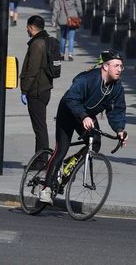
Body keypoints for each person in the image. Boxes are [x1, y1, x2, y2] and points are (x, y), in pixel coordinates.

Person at [40, 49, 128, 204]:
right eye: (116, 66)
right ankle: (46, 189)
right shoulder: (88, 79)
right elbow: (72, 98)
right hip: (68, 112)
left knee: (96, 143)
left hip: (86, 116)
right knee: (61, 149)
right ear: (106, 66)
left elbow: (117, 111)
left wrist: (120, 130)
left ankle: (68, 167)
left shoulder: (116, 88)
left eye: (121, 66)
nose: (120, 69)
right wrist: (84, 116)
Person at [19, 15, 53, 160]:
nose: (27, 30)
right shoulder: (45, 41)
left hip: (37, 91)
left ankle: (42, 160)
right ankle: (40, 158)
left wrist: (24, 90)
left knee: (39, 128)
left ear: (32, 27)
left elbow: (32, 70)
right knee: (40, 127)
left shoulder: (37, 44)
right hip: (44, 89)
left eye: (27, 27)